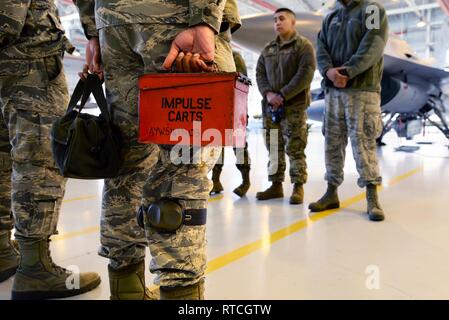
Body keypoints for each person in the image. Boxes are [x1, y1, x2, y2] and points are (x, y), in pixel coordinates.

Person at [74, 0, 240, 299]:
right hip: (175, 16)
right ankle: (181, 294)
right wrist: (203, 19)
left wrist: (93, 30)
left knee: (126, 158)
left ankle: (127, 290)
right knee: (184, 163)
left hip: (112, 22)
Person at [0, 1, 101, 299]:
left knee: (3, 155)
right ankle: (35, 267)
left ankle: (2, 249)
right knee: (40, 160)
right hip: (28, 53)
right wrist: (95, 32)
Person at [310, 0, 388, 221]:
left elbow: (374, 43)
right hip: (333, 91)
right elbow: (321, 47)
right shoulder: (331, 17)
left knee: (363, 141)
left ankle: (372, 197)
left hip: (362, 90)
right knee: (332, 142)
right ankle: (331, 192)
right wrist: (328, 72)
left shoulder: (371, 10)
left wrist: (347, 71)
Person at [255, 8, 316, 205]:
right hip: (271, 109)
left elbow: (305, 75)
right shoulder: (268, 49)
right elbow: (259, 74)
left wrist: (283, 95)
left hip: (294, 108)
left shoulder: (303, 47)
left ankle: (298, 186)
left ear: (293, 22)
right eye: (275, 20)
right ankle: (275, 186)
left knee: (295, 148)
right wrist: (269, 94)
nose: (277, 23)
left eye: (281, 19)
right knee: (273, 148)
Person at [210, 51, 251, 197]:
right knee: (215, 147)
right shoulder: (210, 55)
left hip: (235, 109)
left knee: (239, 148)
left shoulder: (234, 56)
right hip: (216, 109)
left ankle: (245, 181)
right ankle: (215, 180)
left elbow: (242, 82)